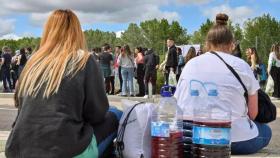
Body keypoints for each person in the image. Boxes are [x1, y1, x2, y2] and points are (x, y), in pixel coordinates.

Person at [5, 9, 122, 158]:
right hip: (64, 150)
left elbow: (21, 107)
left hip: (18, 149)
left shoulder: (33, 63)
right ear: (77, 32)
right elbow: (96, 114)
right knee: (116, 114)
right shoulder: (83, 60)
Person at [175, 13, 271, 155]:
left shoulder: (190, 64)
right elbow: (253, 114)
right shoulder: (242, 65)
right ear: (232, 45)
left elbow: (177, 103)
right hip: (233, 140)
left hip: (190, 139)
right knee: (266, 131)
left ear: (207, 44)